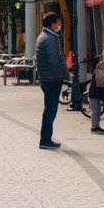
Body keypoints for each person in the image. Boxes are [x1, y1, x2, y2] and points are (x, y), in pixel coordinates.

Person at [34, 11, 67, 150]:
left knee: (49, 108)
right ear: (53, 24)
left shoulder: (44, 36)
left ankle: (46, 138)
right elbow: (54, 61)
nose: (59, 25)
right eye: (58, 22)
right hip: (51, 79)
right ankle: (45, 139)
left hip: (46, 77)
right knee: (50, 110)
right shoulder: (50, 39)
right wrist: (60, 77)